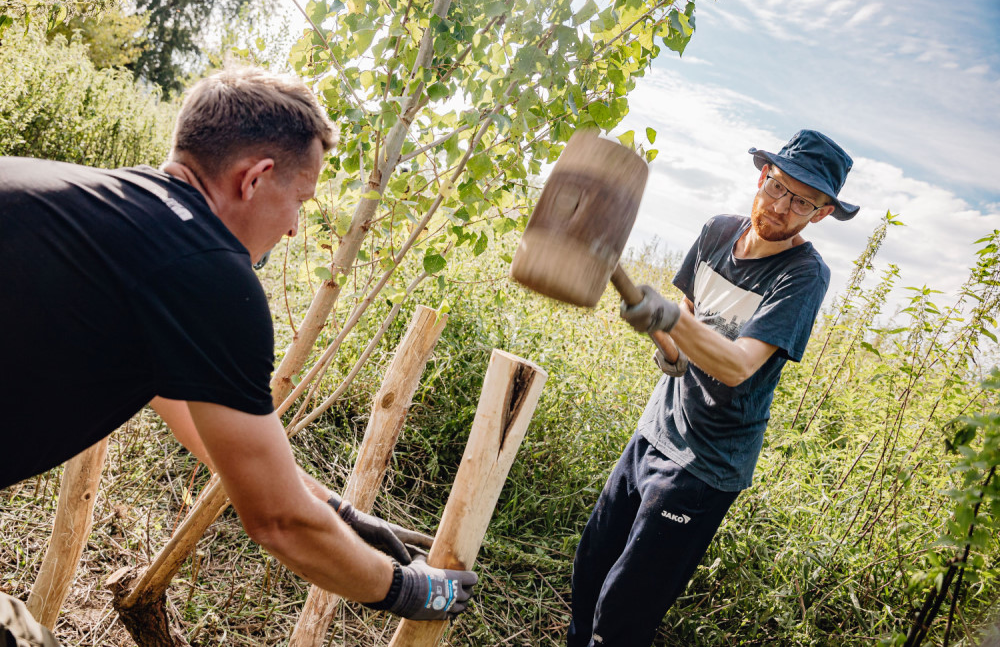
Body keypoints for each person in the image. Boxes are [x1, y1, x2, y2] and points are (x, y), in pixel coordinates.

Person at [0, 65, 476, 645]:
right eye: (300, 199)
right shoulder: (208, 271)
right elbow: (277, 522)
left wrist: (338, 512)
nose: (298, 228)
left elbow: (190, 416)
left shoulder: (111, 215)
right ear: (255, 179)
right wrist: (410, 589)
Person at [567, 130, 860, 647]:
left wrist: (666, 315)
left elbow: (737, 367)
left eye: (801, 201)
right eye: (777, 186)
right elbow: (685, 335)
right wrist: (664, 336)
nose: (781, 206)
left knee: (621, 616)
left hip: (704, 469)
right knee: (589, 574)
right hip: (652, 435)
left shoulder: (803, 274)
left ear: (820, 214)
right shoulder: (716, 232)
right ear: (762, 174)